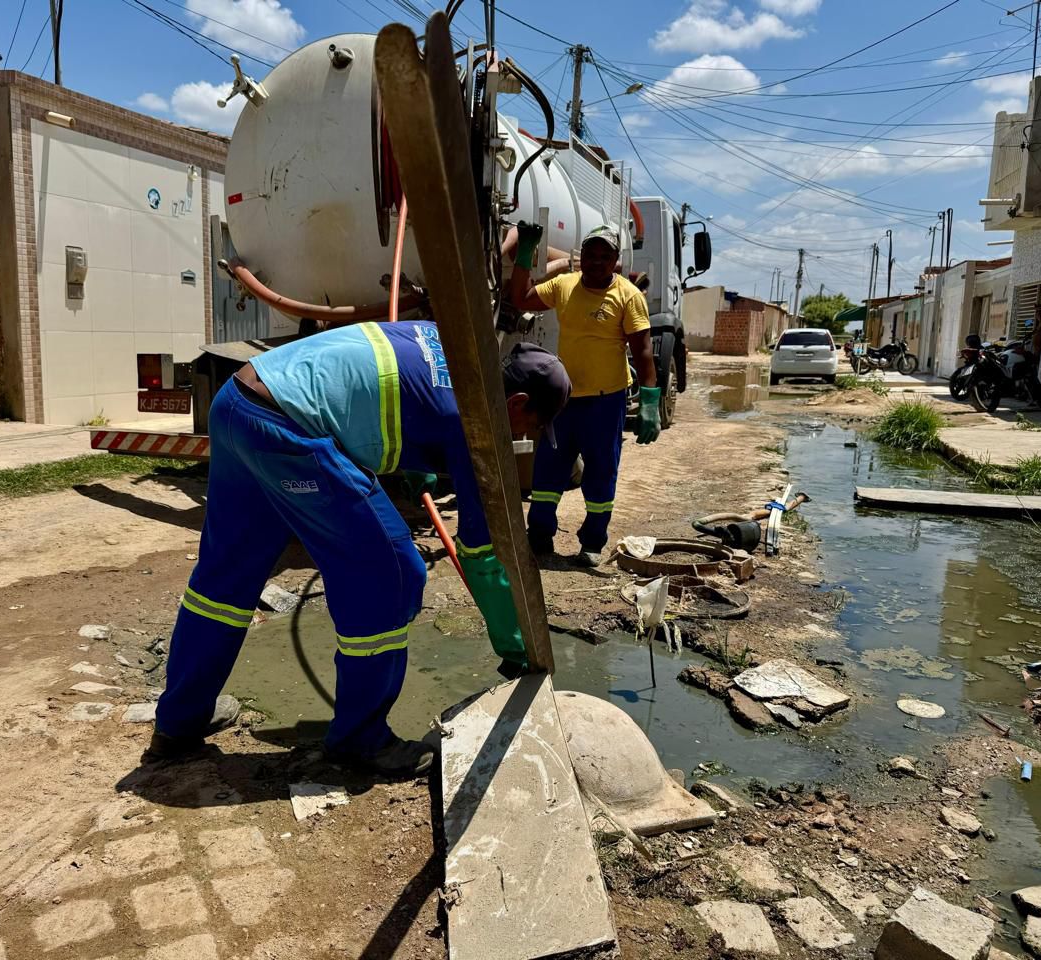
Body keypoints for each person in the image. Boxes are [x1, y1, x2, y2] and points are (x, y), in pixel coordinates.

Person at [149, 320, 571, 777]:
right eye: (532, 424)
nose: (522, 436)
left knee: (226, 574)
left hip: (237, 402)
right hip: (286, 427)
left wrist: (419, 456)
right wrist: (516, 648)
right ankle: (360, 740)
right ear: (517, 402)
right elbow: (482, 552)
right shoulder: (474, 419)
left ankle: (180, 721)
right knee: (392, 574)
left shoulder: (447, 341)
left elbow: (388, 389)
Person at [507, 222, 659, 567]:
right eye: (590, 255)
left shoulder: (628, 296)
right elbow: (520, 298)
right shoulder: (565, 285)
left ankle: (592, 542)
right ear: (582, 257)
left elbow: (644, 351)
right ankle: (540, 536)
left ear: (615, 261)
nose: (596, 262)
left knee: (601, 472)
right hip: (562, 401)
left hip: (606, 403)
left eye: (604, 256)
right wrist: (526, 254)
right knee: (548, 471)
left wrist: (650, 401)